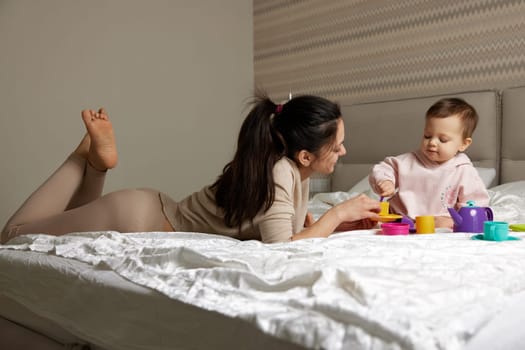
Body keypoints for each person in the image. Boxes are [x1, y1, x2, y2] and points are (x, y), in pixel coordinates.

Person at [1, 93, 381, 244]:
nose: (344, 151)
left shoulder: (287, 171)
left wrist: (336, 223)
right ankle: (81, 157)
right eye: (337, 145)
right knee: (12, 238)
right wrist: (338, 212)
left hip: (148, 212)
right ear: (304, 155)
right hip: (143, 217)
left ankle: (95, 164)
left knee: (54, 233)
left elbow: (285, 228)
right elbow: (284, 249)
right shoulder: (281, 171)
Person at [368, 97, 490, 229]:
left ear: (463, 144)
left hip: (438, 224)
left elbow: (475, 206)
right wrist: (385, 181)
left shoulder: (464, 171)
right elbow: (384, 168)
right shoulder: (408, 161)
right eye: (427, 136)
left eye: (442, 140)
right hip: (401, 221)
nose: (432, 142)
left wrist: (453, 221)